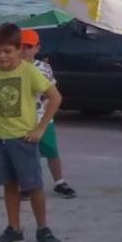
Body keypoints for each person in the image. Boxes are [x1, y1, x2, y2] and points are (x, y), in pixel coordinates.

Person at [0, 23, 63, 242]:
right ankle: (14, 228)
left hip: (24, 139)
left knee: (34, 185)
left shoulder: (29, 72)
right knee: (9, 185)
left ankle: (43, 228)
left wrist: (40, 128)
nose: (2, 56)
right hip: (1, 139)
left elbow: (55, 97)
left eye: (8, 51)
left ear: (19, 50)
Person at [20, 29, 77, 197]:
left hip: (42, 118)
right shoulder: (9, 67)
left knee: (51, 151)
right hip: (21, 120)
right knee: (26, 155)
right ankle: (27, 185)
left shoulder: (43, 67)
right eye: (19, 46)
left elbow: (51, 93)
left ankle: (59, 182)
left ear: (37, 48)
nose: (24, 50)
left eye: (28, 46)